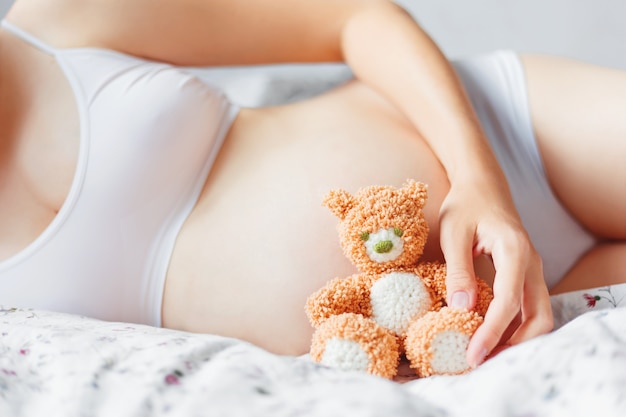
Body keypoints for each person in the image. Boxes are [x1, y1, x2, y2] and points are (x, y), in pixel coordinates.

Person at [0, 0, 624, 370]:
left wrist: (479, 182)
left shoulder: (51, 20)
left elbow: (353, 16)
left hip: (510, 140)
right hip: (487, 326)